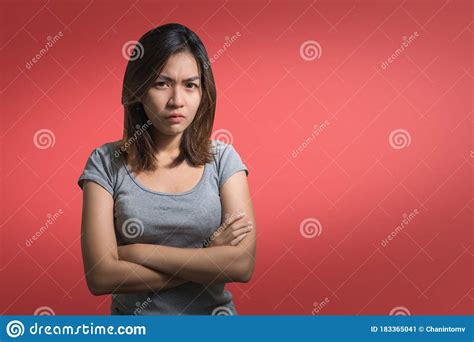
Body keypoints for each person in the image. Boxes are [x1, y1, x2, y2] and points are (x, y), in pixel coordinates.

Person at [77, 23, 256, 315]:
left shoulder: (224, 159)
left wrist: (138, 253)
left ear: (203, 92)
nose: (177, 100)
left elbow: (242, 265)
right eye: (161, 83)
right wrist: (207, 257)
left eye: (190, 84)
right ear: (139, 90)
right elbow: (100, 277)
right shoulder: (105, 162)